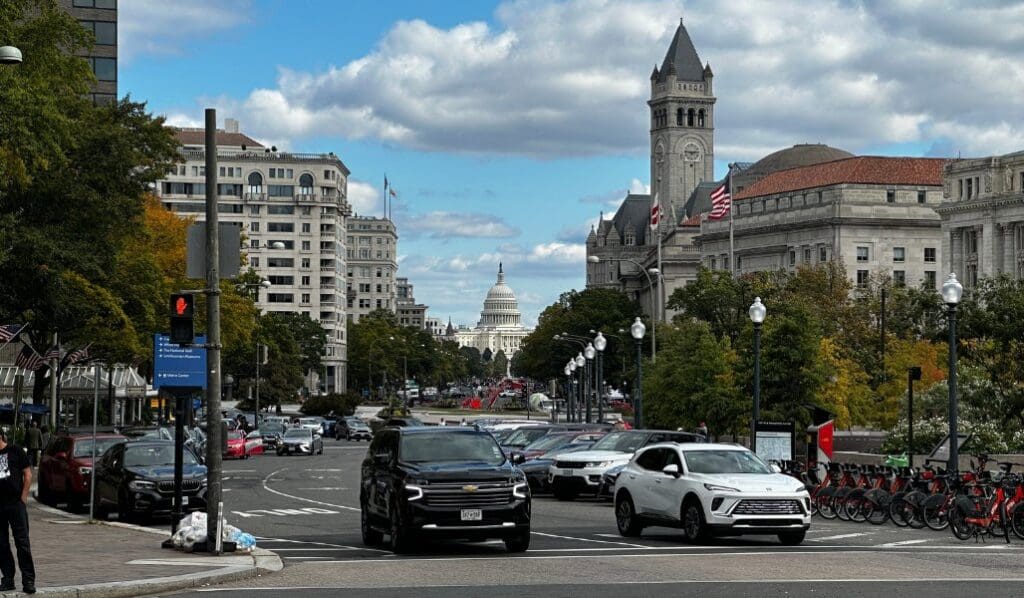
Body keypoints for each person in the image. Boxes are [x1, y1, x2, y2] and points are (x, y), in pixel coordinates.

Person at [0, 428, 34, 594]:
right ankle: (8, 578)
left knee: (22, 542)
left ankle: (28, 579)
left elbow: (27, 473)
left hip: (15, 503)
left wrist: (23, 498)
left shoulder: (15, 450)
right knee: (1, 544)